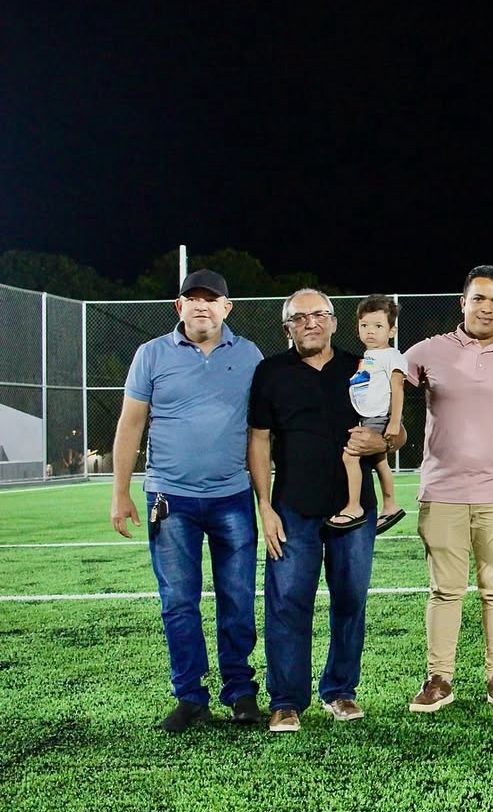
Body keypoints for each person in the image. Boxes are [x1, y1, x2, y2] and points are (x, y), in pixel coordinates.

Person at [109, 269, 265, 731]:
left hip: (232, 496)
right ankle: (191, 698)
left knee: (238, 598)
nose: (201, 306)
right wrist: (119, 492)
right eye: (192, 298)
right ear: (179, 307)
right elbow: (130, 423)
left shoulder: (250, 354)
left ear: (226, 308)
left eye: (210, 299)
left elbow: (261, 431)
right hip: (169, 498)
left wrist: (266, 499)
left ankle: (240, 693)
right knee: (178, 602)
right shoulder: (151, 353)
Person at [248, 288, 406, 733]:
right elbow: (258, 440)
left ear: (334, 322)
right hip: (292, 507)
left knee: (350, 600)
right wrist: (265, 506)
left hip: (353, 511)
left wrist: (384, 442)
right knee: (287, 602)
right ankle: (286, 701)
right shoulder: (270, 372)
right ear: (287, 328)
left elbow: (396, 432)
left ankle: (340, 690)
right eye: (300, 318)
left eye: (319, 315)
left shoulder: (363, 366)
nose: (311, 323)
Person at [402, 266, 493, 715]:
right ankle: (439, 679)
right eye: (479, 298)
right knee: (445, 590)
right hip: (442, 491)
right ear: (463, 303)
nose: (487, 308)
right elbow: (385, 374)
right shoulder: (430, 350)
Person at [327, 295, 407, 534]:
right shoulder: (368, 357)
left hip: (379, 418)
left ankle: (354, 506)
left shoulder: (392, 356)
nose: (370, 331)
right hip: (367, 417)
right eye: (364, 325)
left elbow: (398, 389)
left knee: (350, 457)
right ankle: (390, 505)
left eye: (378, 326)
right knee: (379, 461)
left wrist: (394, 422)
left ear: (391, 331)